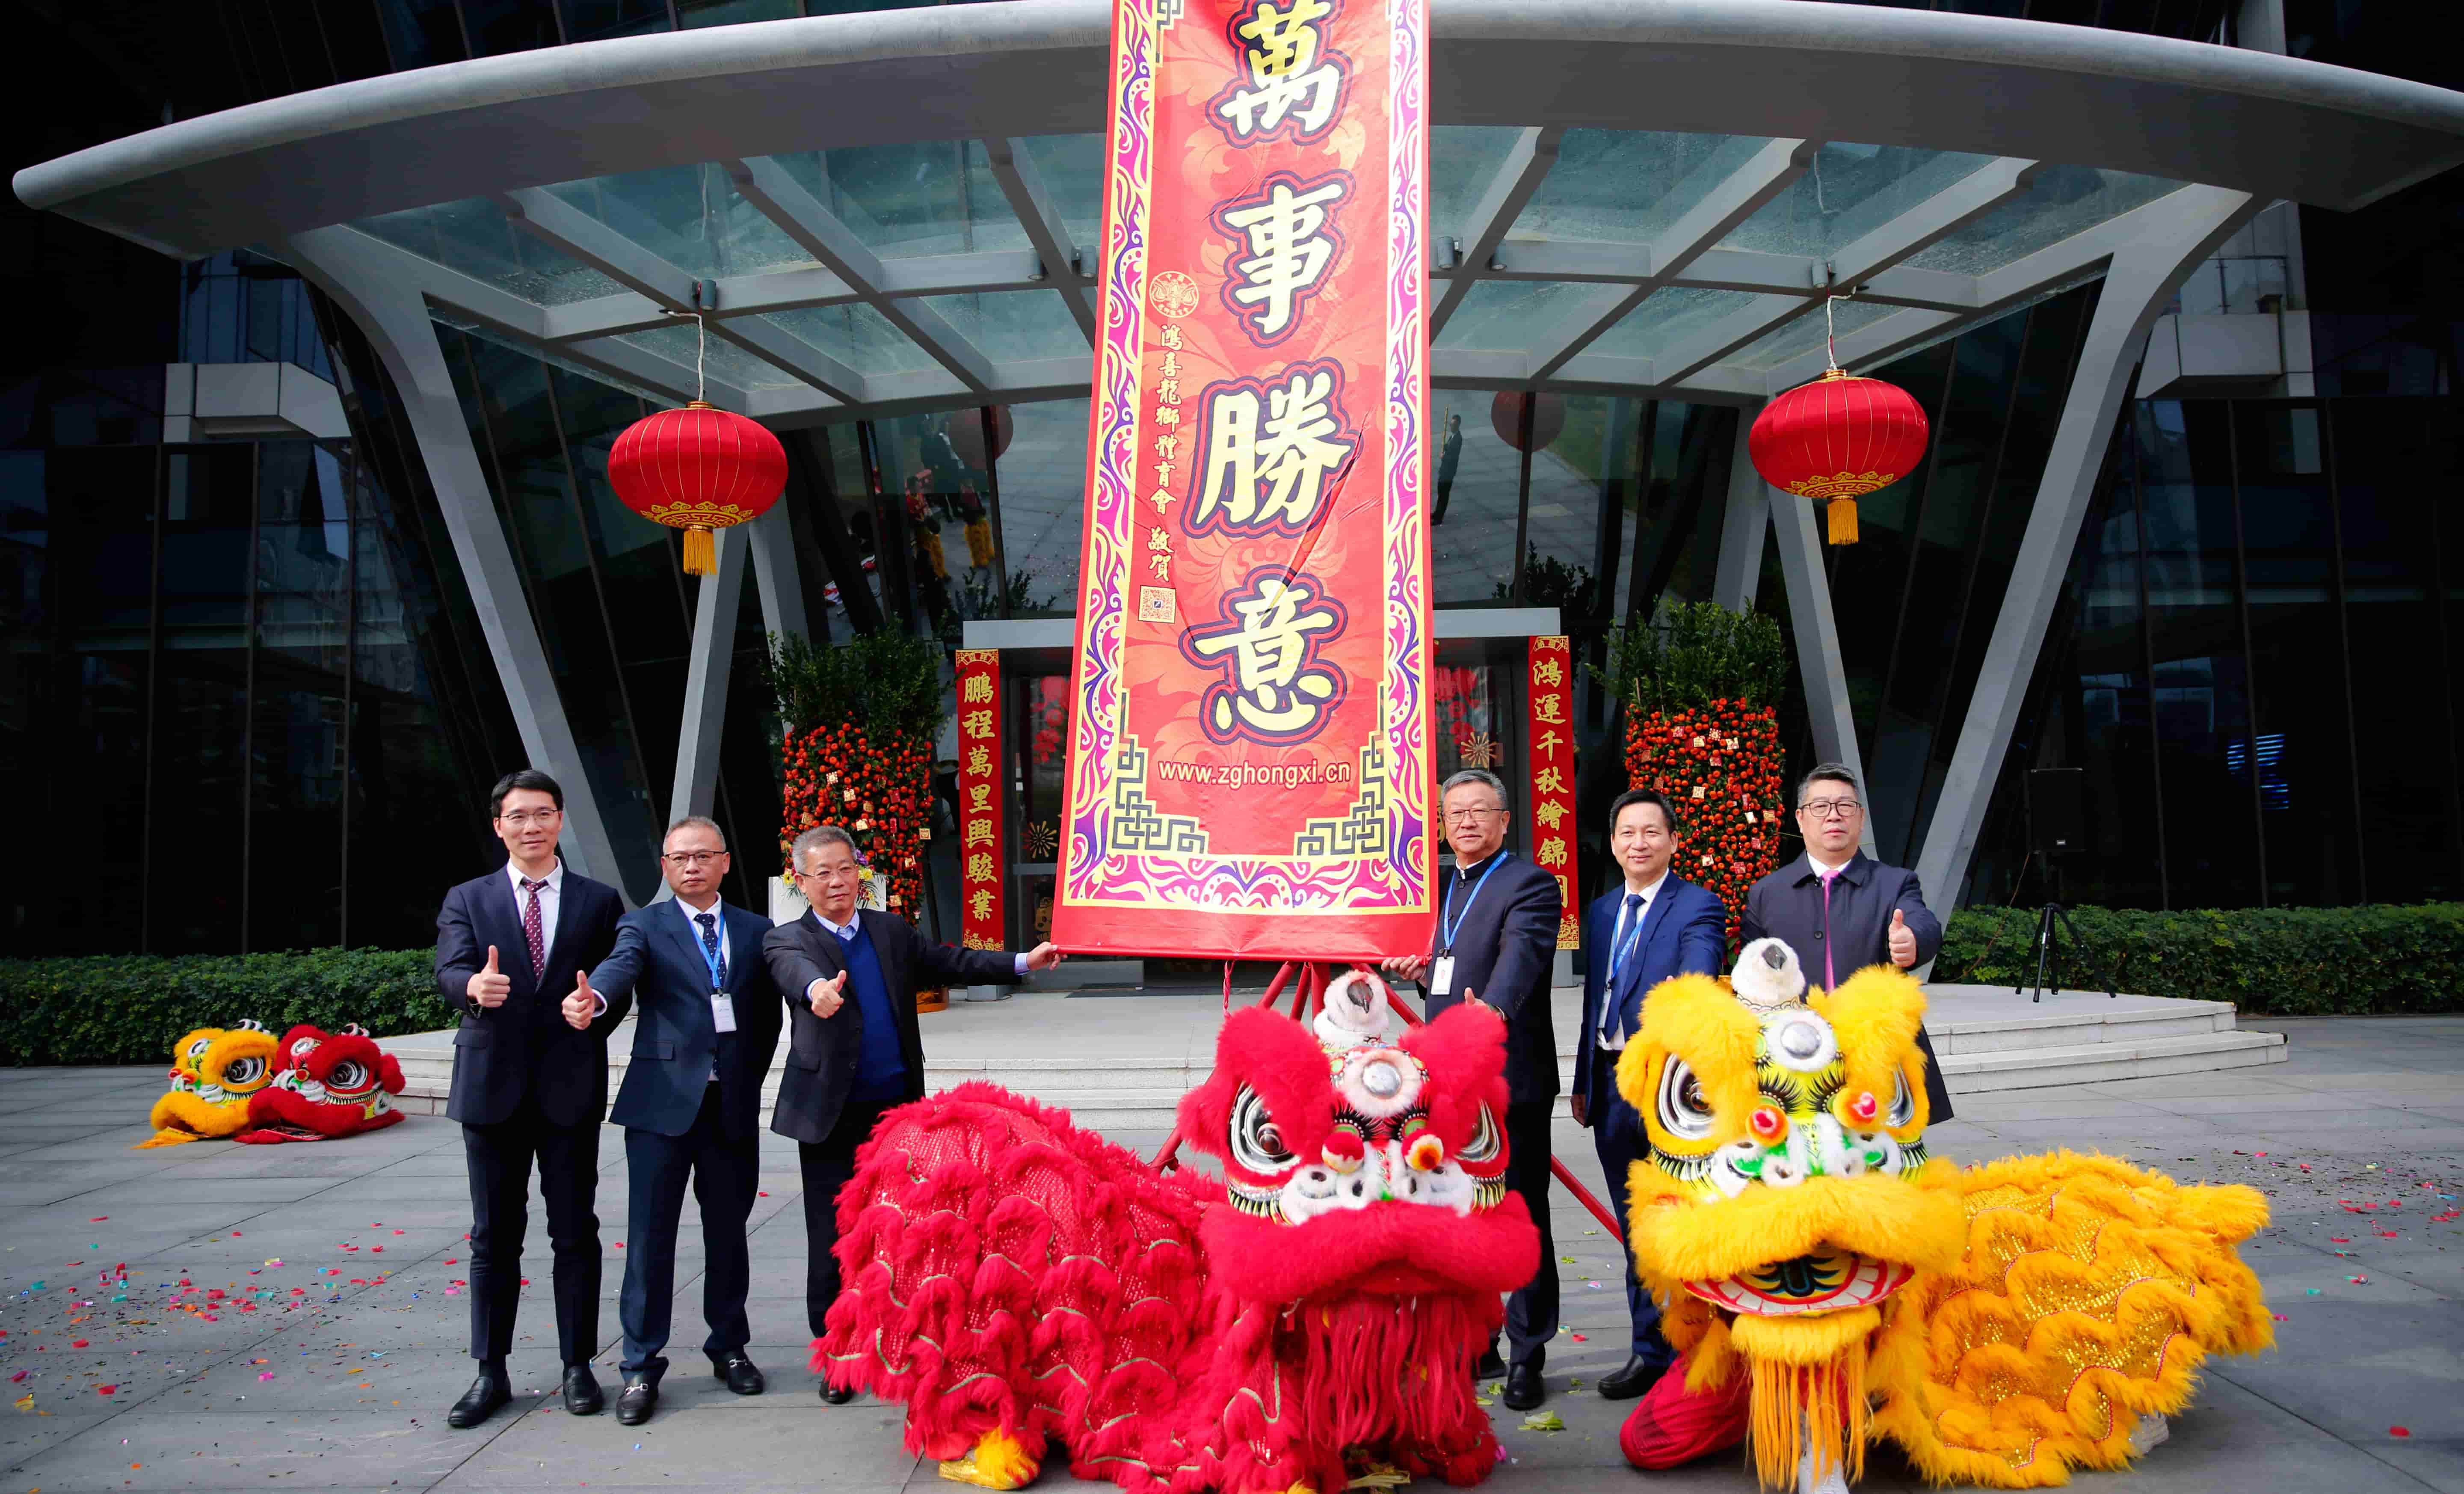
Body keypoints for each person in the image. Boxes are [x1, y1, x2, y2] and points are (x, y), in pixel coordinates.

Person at [761, 825, 1066, 1402]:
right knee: (833, 1235)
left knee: (900, 1231)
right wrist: (817, 990)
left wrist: (1024, 960)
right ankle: (836, 1354)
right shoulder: (787, 939)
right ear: (801, 881)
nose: (837, 881)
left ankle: (897, 1341)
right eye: (823, 872)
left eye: (845, 869)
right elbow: (794, 971)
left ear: (860, 873)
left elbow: (952, 961)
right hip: (831, 1114)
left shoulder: (889, 931)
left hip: (898, 1113)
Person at [564, 816, 781, 1426]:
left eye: (703, 856)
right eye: (680, 857)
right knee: (650, 1237)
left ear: (725, 862)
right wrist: (594, 998)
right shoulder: (644, 925)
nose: (692, 866)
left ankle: (729, 1347)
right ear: (665, 866)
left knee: (728, 1233)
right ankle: (639, 1366)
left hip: (730, 1105)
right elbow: (620, 969)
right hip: (661, 1105)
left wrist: (747, 1074)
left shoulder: (756, 930)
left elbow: (766, 1015)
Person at [431, 769, 626, 1428]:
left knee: (575, 1233)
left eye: (543, 814)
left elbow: (618, 976)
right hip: (491, 1089)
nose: (532, 826)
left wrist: (597, 1005)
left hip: (569, 1087)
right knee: (494, 1237)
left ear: (561, 820)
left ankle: (578, 1366)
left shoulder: (599, 901)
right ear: (499, 826)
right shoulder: (469, 898)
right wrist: (470, 989)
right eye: (518, 816)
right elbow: (449, 968)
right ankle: (491, 1371)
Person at [1379, 768, 1561, 1411]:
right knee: (1462, 1209)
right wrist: (1418, 968)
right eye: (1455, 813)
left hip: (1510, 1076)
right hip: (1448, 1081)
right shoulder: (1438, 887)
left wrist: (1495, 1010)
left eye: (1480, 811)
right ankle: (1480, 1340)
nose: (1466, 822)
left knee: (1522, 1211)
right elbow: (1447, 964)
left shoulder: (1530, 883)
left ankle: (1529, 1352)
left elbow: (1522, 957)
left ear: (1504, 821)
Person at [1569, 789, 1727, 1402]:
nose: (1639, 843)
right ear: (1613, 844)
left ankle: (1698, 1350)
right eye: (1627, 833)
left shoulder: (1698, 905)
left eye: (1651, 832)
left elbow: (1697, 976)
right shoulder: (1604, 909)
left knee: (1684, 1220)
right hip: (1609, 1085)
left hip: (1667, 1088)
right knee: (1636, 1225)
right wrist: (1584, 1082)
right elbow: (1596, 999)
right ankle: (1649, 1350)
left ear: (1674, 841)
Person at [1741, 762, 1953, 1122]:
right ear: (1800, 819)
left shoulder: (1895, 883)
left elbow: (1923, 922)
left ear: (1861, 818)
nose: (1833, 815)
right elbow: (1752, 973)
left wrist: (1912, 940)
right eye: (1820, 806)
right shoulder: (1768, 893)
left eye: (1845, 806)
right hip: (1792, 1059)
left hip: (1876, 1056)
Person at [1432, 412, 1463, 525]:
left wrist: (1443, 457)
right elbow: (1449, 448)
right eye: (1451, 424)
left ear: (1458, 425)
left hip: (1448, 472)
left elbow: (1453, 456)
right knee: (1441, 493)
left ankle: (1439, 518)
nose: (1451, 427)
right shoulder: (1453, 436)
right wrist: (1445, 446)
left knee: (1444, 494)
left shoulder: (1458, 439)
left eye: (1453, 425)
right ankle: (1437, 513)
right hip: (1445, 470)